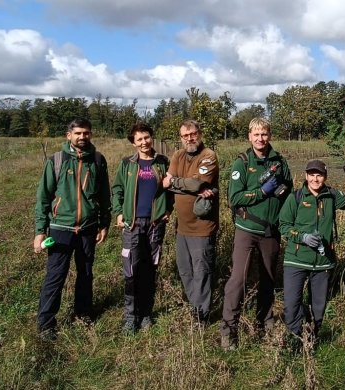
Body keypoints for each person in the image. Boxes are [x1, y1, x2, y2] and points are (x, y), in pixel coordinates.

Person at [33, 118, 111, 340]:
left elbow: (105, 195)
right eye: (77, 133)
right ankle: (46, 323)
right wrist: (40, 231)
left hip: (88, 227)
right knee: (56, 275)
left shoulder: (97, 160)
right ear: (68, 135)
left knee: (85, 274)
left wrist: (104, 223)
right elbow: (43, 198)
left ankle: (83, 315)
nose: (82, 137)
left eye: (86, 133)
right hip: (60, 228)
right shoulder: (56, 161)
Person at [221, 117, 292, 349]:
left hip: (271, 231)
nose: (260, 138)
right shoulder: (242, 162)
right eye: (256, 134)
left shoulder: (279, 161)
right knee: (238, 280)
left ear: (269, 135)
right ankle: (229, 329)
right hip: (247, 228)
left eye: (264, 134)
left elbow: (289, 189)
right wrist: (261, 192)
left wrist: (283, 192)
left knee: (268, 279)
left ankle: (265, 321)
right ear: (249, 136)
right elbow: (235, 198)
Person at [278, 160, 345, 353]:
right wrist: (302, 237)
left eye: (319, 175)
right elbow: (283, 225)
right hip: (296, 260)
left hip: (323, 262)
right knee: (292, 304)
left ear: (325, 177)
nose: (315, 179)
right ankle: (294, 341)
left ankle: (312, 340)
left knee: (318, 307)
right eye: (312, 175)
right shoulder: (296, 197)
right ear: (306, 176)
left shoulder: (332, 196)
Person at [111, 123, 172, 334]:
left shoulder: (163, 162)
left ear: (151, 137)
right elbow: (117, 189)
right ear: (133, 143)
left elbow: (171, 189)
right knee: (131, 270)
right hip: (132, 224)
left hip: (155, 225)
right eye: (139, 139)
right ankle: (131, 316)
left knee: (150, 268)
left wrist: (168, 210)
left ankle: (146, 314)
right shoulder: (127, 164)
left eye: (147, 137)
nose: (144, 142)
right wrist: (118, 212)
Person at [163, 119, 219, 325]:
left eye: (193, 134)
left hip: (202, 227)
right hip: (182, 228)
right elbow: (165, 182)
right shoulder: (178, 155)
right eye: (185, 136)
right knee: (185, 270)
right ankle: (194, 307)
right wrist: (186, 186)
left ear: (200, 133)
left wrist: (175, 183)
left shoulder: (209, 156)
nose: (190, 138)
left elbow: (196, 182)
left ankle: (200, 317)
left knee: (202, 272)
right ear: (181, 138)